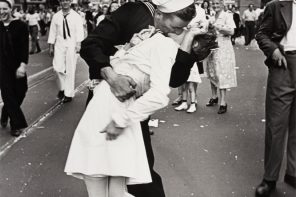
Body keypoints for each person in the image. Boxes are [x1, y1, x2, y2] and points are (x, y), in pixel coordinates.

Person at [65, 1, 199, 197]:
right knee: (113, 181)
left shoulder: (166, 38)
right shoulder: (133, 12)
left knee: (116, 181)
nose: (177, 32)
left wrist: (188, 39)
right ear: (161, 14)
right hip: (110, 106)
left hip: (125, 110)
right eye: (177, 27)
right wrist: (112, 76)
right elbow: (91, 45)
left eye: (181, 28)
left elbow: (174, 79)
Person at [255, 0, 296, 196]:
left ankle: (293, 173)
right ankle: (269, 179)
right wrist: (273, 50)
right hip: (283, 65)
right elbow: (261, 33)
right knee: (276, 125)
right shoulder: (276, 5)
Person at [0, 0, 29, 137]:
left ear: (11, 9)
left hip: (17, 64)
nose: (1, 12)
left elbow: (24, 47)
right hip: (1, 67)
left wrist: (22, 65)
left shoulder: (21, 26)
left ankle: (6, 111)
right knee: (8, 94)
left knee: (21, 90)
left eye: (5, 9)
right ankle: (16, 125)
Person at [47, 0, 84, 103]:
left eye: (67, 0)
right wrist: (51, 46)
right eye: (63, 0)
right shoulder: (56, 16)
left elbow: (79, 31)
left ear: (71, 1)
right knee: (57, 68)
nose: (65, 2)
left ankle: (68, 94)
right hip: (59, 44)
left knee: (70, 69)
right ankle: (62, 88)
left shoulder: (76, 16)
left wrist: (78, 44)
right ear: (60, 2)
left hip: (71, 44)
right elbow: (52, 31)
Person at [205, 0, 237, 114]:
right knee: (212, 72)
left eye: (217, 4)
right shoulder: (212, 15)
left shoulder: (227, 15)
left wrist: (217, 27)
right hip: (212, 47)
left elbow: (232, 31)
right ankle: (214, 97)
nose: (215, 6)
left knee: (221, 73)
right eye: (213, 4)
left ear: (222, 4)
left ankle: (223, 102)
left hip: (223, 47)